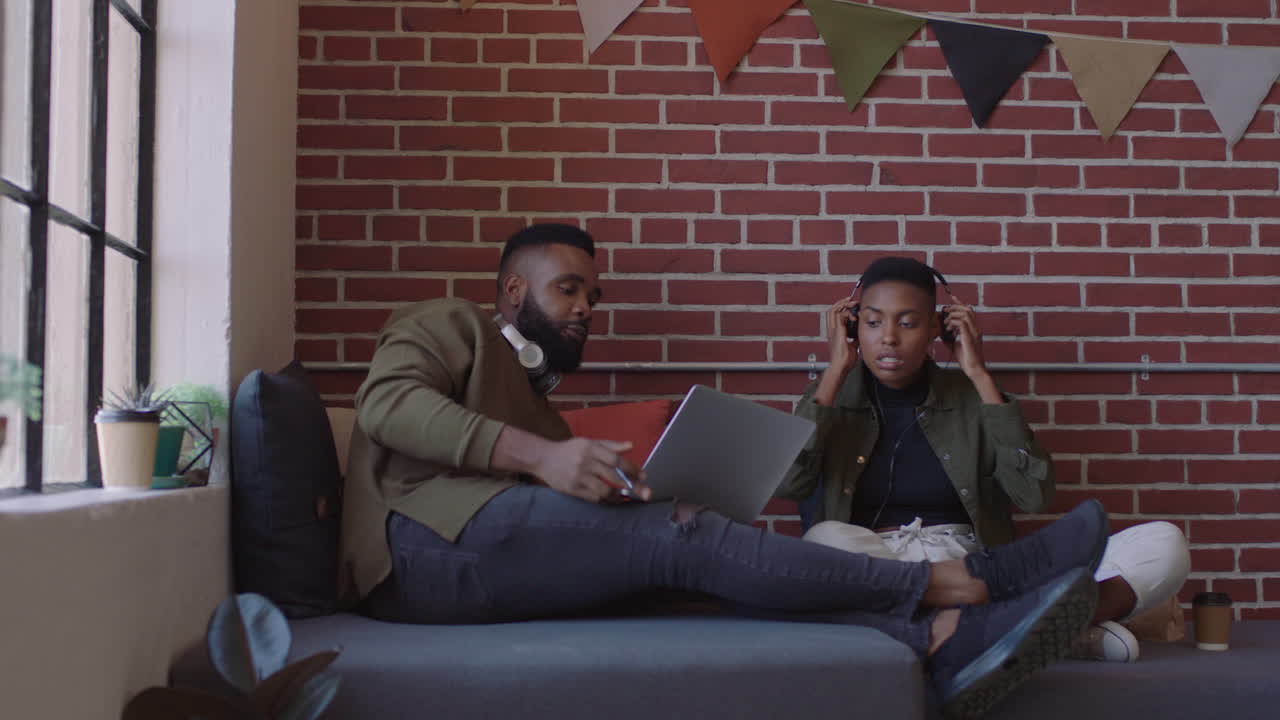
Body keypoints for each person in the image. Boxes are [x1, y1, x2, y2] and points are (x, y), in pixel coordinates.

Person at [338, 224, 1107, 720]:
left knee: (698, 569)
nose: (585, 308)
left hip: (487, 559)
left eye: (592, 295)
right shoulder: (448, 322)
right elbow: (387, 406)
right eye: (568, 288)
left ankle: (942, 638)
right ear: (513, 291)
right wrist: (544, 457)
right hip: (419, 549)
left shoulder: (538, 407)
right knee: (680, 533)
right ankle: (966, 582)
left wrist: (613, 488)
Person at [776, 256, 1191, 663]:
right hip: (875, 568)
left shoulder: (974, 396)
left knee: (1163, 544)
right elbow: (789, 484)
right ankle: (1033, 630)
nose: (888, 337)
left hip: (973, 571)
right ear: (851, 327)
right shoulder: (828, 401)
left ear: (937, 327)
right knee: (826, 540)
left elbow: (1034, 496)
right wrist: (833, 374)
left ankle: (968, 629)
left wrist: (978, 373)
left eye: (907, 323)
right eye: (872, 322)